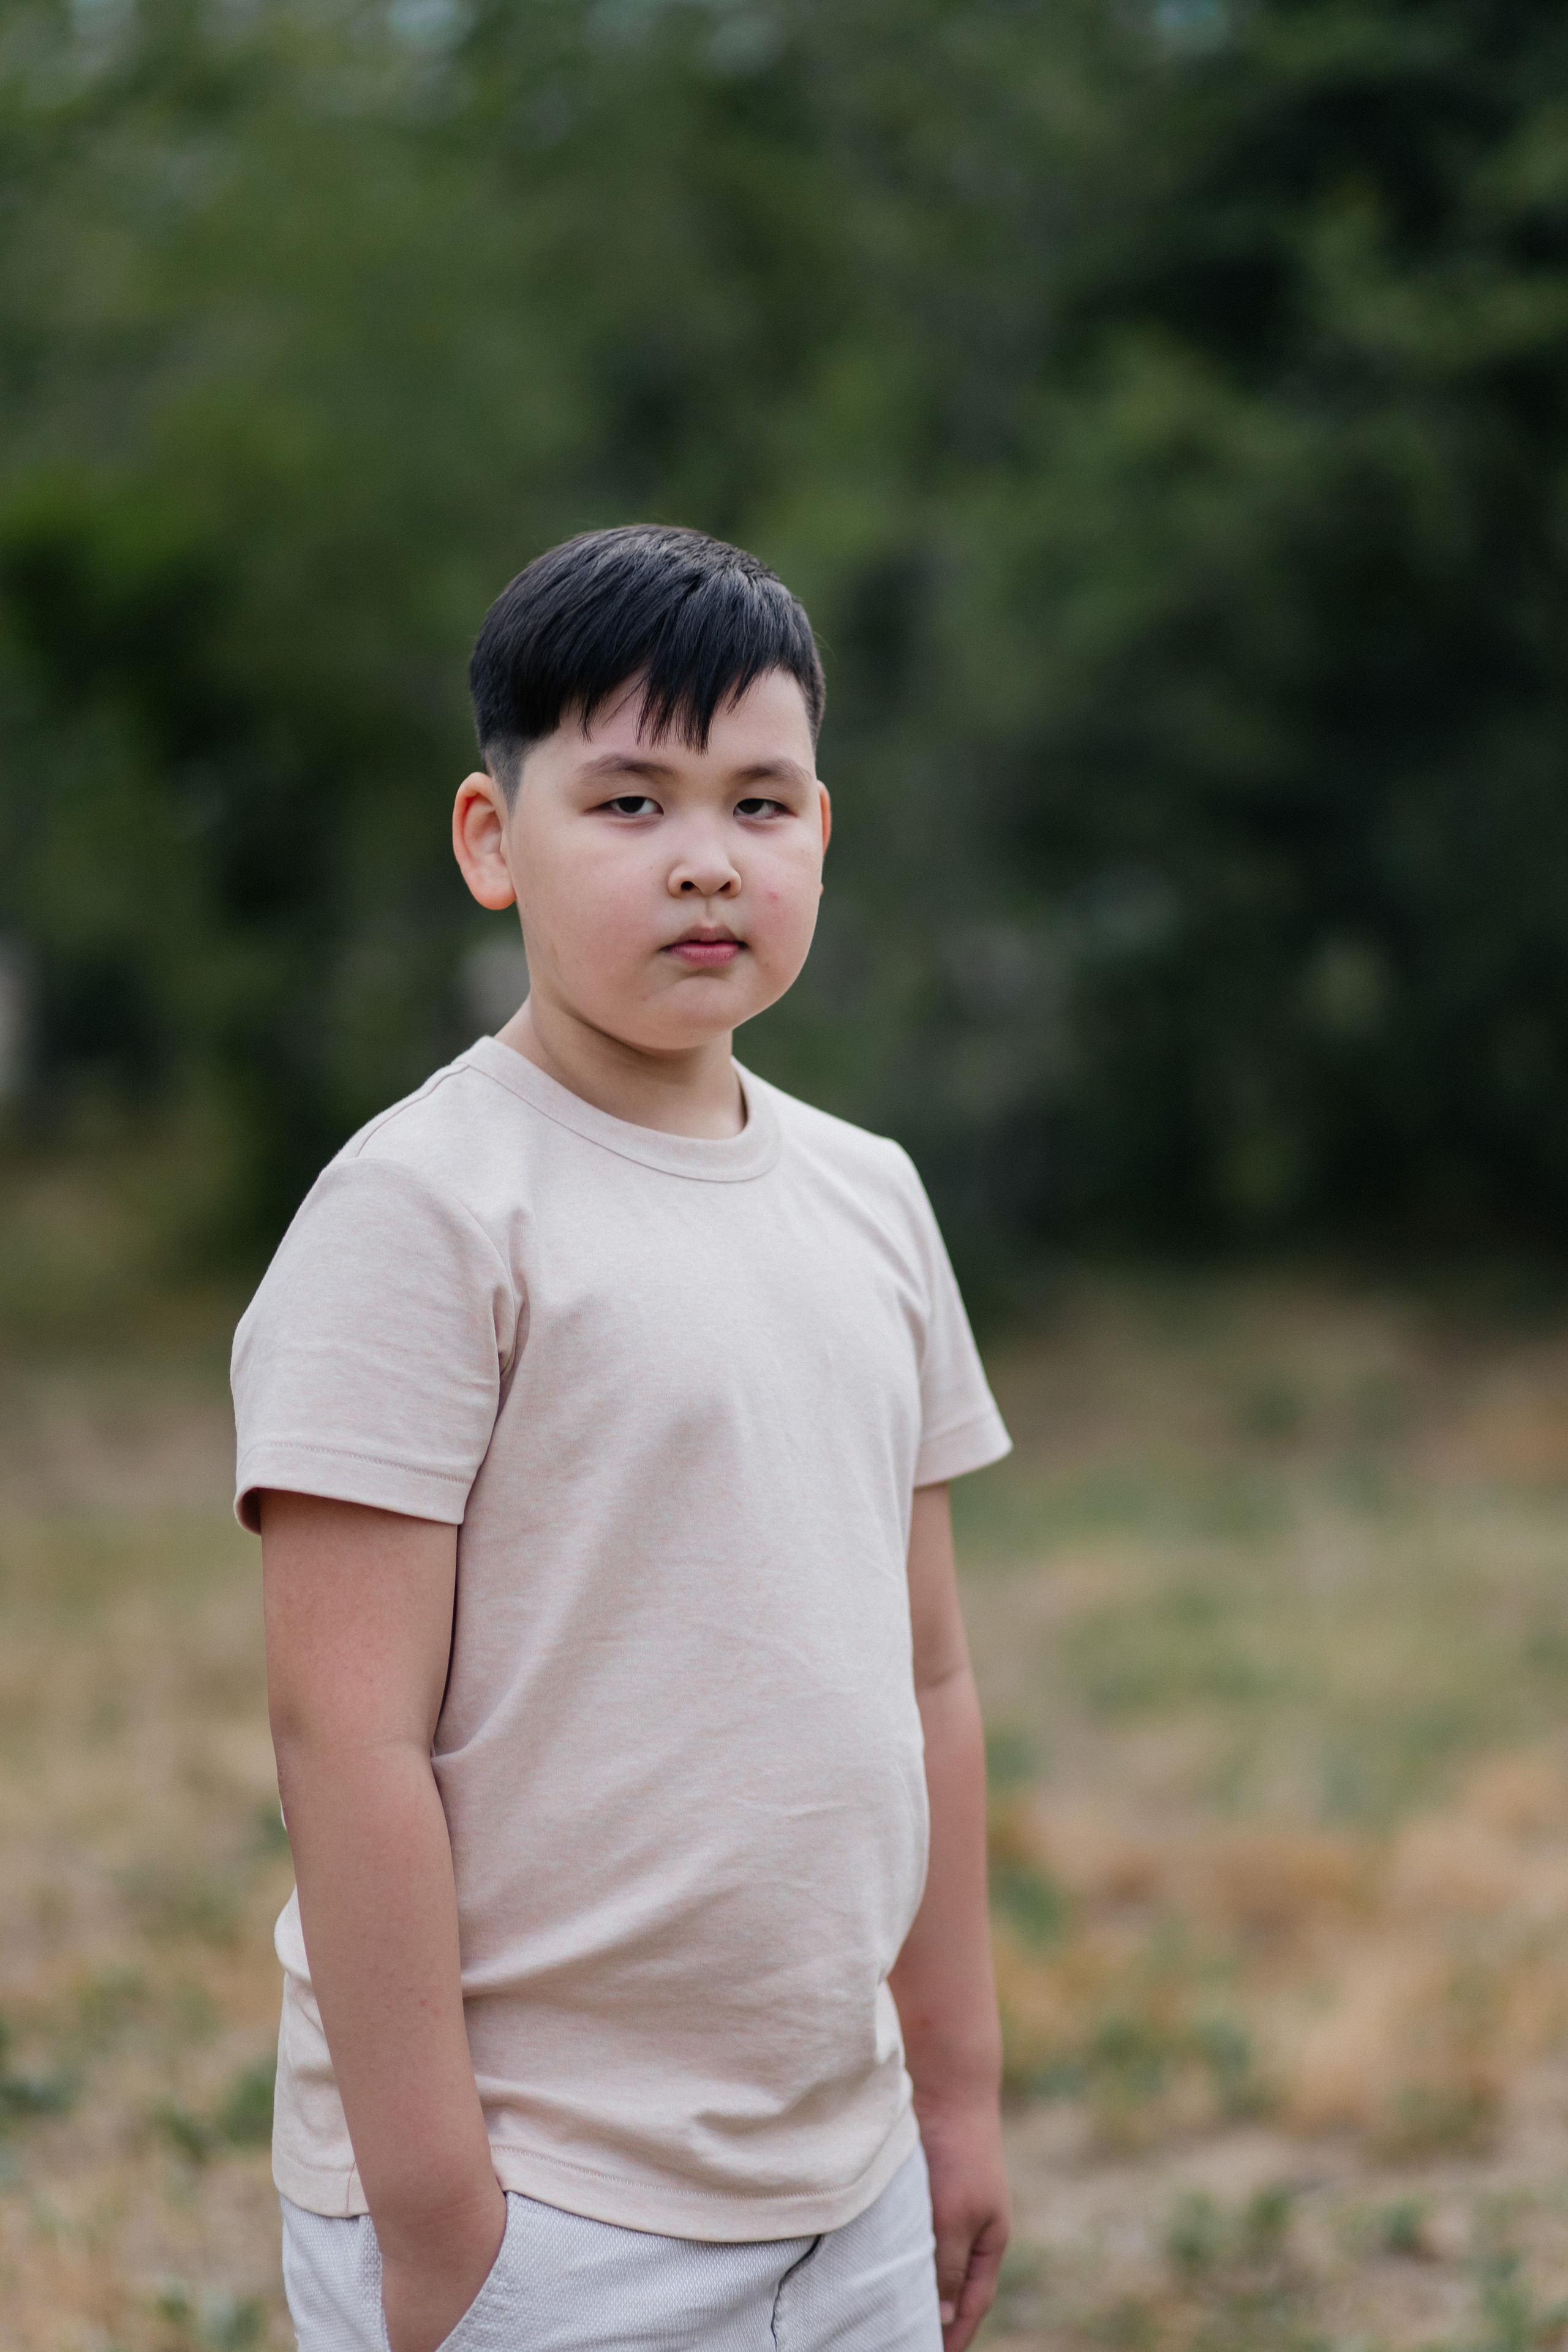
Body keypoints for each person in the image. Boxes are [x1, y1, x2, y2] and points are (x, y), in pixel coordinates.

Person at [233, 524, 1012, 2352]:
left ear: (824, 832)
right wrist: (442, 2217)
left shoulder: (872, 1197)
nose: (705, 863)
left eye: (760, 802)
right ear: (494, 843)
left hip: (848, 2178)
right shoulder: (424, 1210)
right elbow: (343, 1738)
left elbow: (932, 1679)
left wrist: (956, 2098)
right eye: (631, 803)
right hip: (548, 2204)